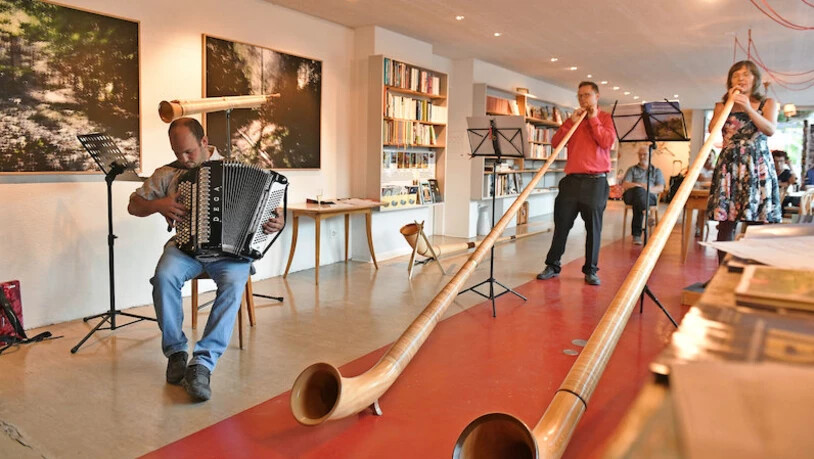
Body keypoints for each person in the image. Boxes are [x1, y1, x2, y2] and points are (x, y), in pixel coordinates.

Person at [128, 118, 284, 401]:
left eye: (189, 152)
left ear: (204, 142)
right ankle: (176, 352)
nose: (184, 160)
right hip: (185, 250)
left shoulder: (237, 166)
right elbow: (133, 205)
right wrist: (158, 205)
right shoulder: (168, 173)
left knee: (236, 282)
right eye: (177, 154)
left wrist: (276, 221)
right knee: (164, 276)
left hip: (231, 253)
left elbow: (269, 211)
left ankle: (202, 364)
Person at [537, 81, 616, 285]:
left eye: (587, 95)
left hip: (596, 182)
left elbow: (606, 142)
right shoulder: (573, 120)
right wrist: (569, 123)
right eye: (579, 96)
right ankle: (552, 265)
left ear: (597, 96)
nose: (583, 99)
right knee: (561, 225)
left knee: (593, 228)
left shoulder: (606, 118)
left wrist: (593, 119)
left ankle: (591, 270)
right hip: (571, 181)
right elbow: (556, 144)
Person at [706, 61, 780, 263]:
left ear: (755, 79)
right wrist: (729, 103)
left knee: (757, 222)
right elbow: (713, 132)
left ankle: (754, 272)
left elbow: (770, 130)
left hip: (757, 166)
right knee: (725, 223)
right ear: (730, 80)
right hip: (729, 166)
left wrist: (748, 108)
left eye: (746, 74)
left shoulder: (768, 103)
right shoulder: (722, 105)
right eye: (736, 74)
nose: (741, 78)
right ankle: (722, 272)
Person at [622, 146, 665, 245]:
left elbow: (660, 188)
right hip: (631, 195)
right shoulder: (632, 169)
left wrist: (647, 189)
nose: (642, 157)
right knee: (639, 192)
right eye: (640, 154)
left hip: (649, 197)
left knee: (640, 199)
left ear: (650, 155)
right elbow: (625, 184)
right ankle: (647, 213)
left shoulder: (656, 171)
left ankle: (636, 235)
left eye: (645, 154)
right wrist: (639, 186)